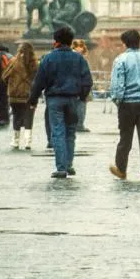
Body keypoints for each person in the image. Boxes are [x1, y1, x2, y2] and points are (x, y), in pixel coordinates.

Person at [29, 27, 92, 178]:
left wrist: (33, 99)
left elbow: (39, 82)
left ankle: (61, 167)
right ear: (71, 41)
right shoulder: (79, 58)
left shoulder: (48, 58)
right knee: (71, 132)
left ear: (56, 41)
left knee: (57, 132)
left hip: (55, 99)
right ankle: (69, 164)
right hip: (73, 99)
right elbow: (88, 81)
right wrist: (82, 97)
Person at [108, 30, 140, 181]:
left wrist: (118, 100)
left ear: (124, 43)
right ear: (139, 42)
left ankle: (121, 169)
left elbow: (117, 84)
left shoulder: (121, 59)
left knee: (125, 138)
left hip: (127, 103)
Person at [2, 42, 38, 149]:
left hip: (15, 94)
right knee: (29, 117)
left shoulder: (13, 62)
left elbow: (4, 76)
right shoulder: (35, 64)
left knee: (16, 117)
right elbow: (38, 80)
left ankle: (16, 141)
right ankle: (27, 142)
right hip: (29, 94)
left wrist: (12, 83)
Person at [71, 39, 91, 132]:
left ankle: (77, 124)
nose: (81, 48)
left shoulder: (78, 57)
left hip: (76, 87)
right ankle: (79, 125)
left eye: (82, 46)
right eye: (79, 46)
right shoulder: (79, 58)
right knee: (80, 107)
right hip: (79, 87)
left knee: (78, 106)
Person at [0, 45, 12, 126]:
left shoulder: (1, 56)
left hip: (1, 81)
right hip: (9, 81)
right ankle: (4, 118)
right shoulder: (12, 57)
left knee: (1, 100)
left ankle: (3, 118)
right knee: (4, 100)